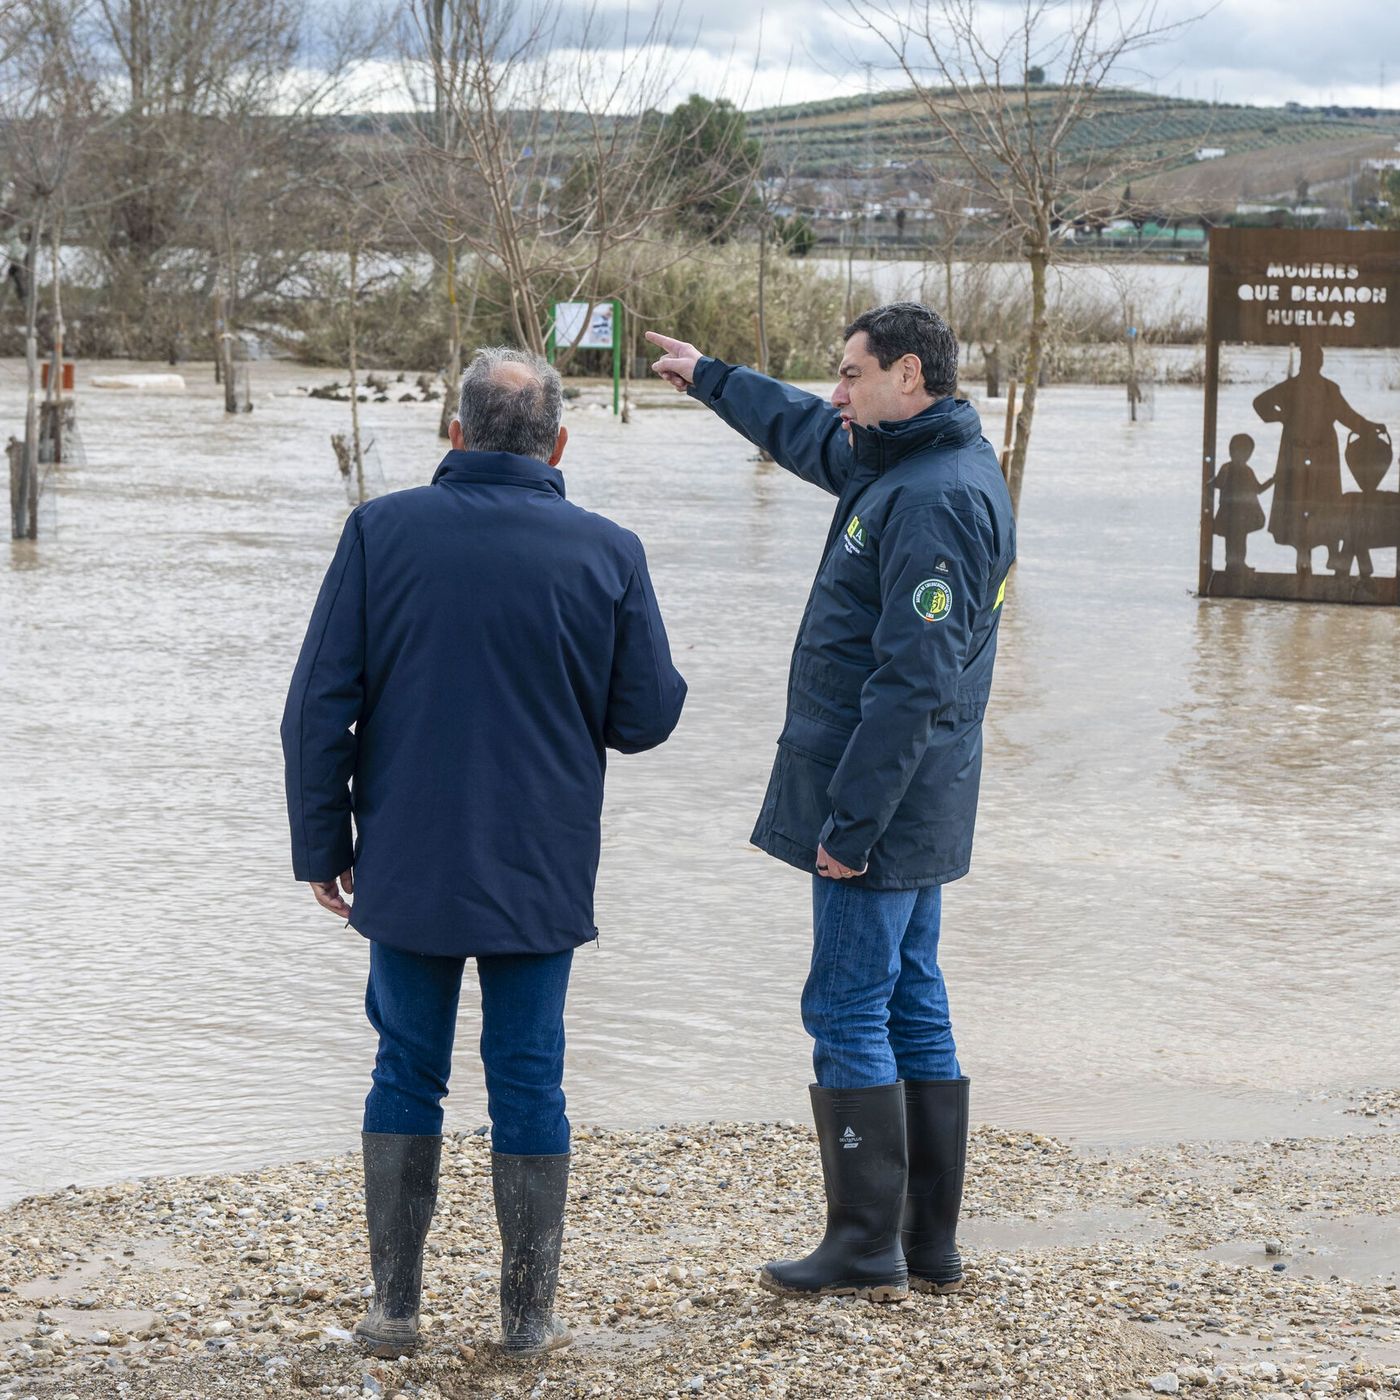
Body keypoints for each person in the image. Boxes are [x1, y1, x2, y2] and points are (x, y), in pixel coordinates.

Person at [280, 347, 686, 1359]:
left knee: (404, 1068)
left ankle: (393, 1309)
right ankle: (526, 1318)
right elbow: (644, 717)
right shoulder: (607, 550)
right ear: (557, 442)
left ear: (453, 433)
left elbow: (314, 708)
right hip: (539, 860)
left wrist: (321, 845)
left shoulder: (381, 531)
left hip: (408, 854)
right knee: (529, 1077)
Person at [647, 304, 1015, 1302]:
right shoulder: (893, 459)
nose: (836, 391)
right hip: (916, 797)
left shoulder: (932, 497)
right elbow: (806, 431)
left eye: (849, 374)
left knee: (847, 1003)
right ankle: (921, 1243)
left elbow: (912, 683)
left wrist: (846, 828)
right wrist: (713, 376)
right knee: (910, 997)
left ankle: (862, 1242)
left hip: (883, 804)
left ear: (907, 375)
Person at [1253, 341, 1382, 574]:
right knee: (1297, 507)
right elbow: (1260, 403)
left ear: (1320, 363)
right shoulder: (1289, 388)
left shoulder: (1329, 389)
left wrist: (1369, 428)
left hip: (1324, 456)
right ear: (1303, 363)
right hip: (1295, 454)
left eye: (1314, 360)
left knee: (1327, 504)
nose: (1310, 364)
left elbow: (1348, 416)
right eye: (1307, 360)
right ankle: (1304, 561)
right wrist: (1281, 417)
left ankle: (1333, 554)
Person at [1212, 432, 1273, 573]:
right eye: (1239, 451)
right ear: (1231, 451)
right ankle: (1231, 565)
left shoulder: (1248, 471)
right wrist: (1211, 482)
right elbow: (1219, 483)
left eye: (1246, 452)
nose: (1243, 455)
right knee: (1232, 540)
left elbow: (1257, 489)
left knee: (1240, 540)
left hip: (1244, 514)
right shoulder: (1226, 468)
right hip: (1229, 512)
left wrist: (1272, 481)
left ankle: (1239, 564)